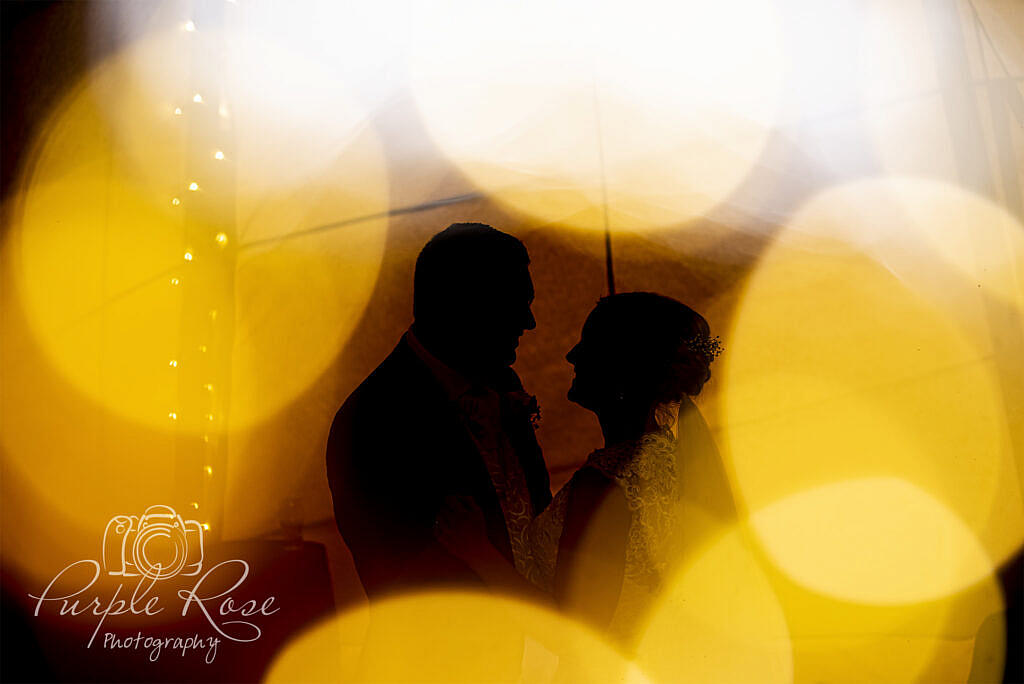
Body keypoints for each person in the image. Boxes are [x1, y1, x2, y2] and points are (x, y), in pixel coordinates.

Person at [436, 292, 731, 649]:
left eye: (588, 344)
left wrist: (479, 554)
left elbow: (572, 632)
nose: (571, 354)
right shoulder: (669, 459)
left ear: (621, 370)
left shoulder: (605, 483)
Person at [325, 223, 551, 601]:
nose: (529, 322)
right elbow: (399, 576)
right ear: (463, 304)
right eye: (514, 303)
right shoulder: (371, 421)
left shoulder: (502, 382)